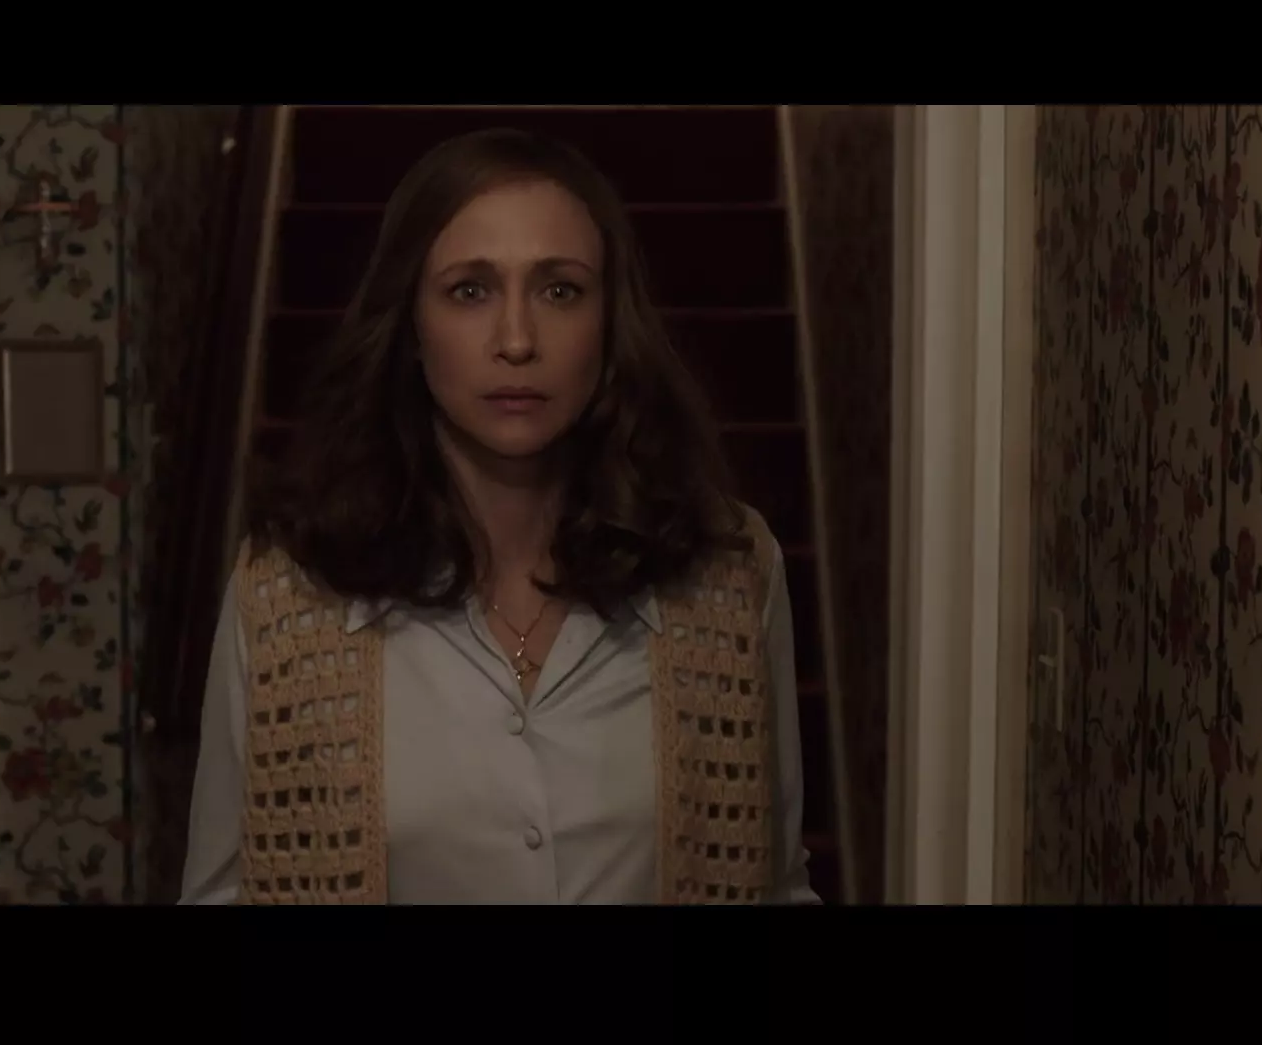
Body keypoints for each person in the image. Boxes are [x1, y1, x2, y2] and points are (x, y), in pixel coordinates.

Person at [180, 126, 819, 905]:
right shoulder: (286, 593)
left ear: (610, 323)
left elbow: (775, 884)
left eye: (560, 291)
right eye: (470, 291)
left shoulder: (730, 571)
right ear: (411, 327)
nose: (516, 341)